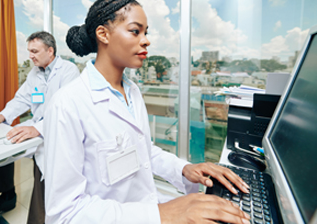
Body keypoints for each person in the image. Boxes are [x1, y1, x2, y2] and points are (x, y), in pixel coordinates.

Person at [43, 0, 251, 223]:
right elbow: (65, 213)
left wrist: (185, 169)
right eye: (135, 31)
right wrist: (162, 214)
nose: (146, 40)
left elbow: (143, 151)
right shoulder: (68, 104)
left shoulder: (131, 92)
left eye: (145, 32)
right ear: (103, 34)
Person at [0, 31, 80, 223]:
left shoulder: (69, 71)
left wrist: (38, 129)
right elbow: (22, 98)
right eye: (29, 51)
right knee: (3, 151)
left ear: (50, 50)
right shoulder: (35, 72)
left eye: (34, 51)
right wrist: (2, 115)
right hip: (39, 127)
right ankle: (7, 197)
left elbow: (66, 110)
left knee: (52, 190)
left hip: (59, 135)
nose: (30, 55)